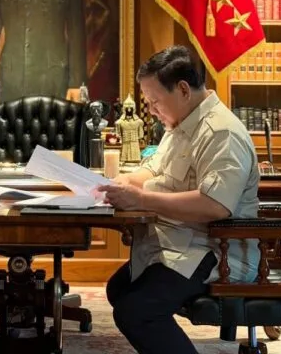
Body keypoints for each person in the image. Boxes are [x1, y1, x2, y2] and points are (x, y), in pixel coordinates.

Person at [96, 45, 260, 354]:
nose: (151, 110)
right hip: (183, 240)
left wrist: (141, 199)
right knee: (120, 289)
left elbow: (214, 205)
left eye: (155, 101)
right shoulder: (181, 124)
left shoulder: (221, 133)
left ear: (183, 90)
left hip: (216, 250)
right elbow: (154, 169)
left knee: (136, 310)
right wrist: (124, 183)